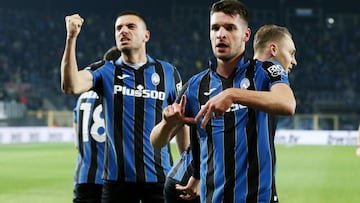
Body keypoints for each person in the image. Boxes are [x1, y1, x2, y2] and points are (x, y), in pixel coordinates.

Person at [150, 0, 297, 202]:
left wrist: (232, 94)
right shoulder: (195, 85)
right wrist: (168, 123)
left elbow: (287, 103)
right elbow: (157, 141)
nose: (221, 34)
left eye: (230, 28)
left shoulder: (265, 71)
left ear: (246, 35)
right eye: (215, 28)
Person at [61, 10, 188, 203]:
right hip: (116, 182)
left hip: (159, 178)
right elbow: (71, 86)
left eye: (130, 26)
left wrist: (185, 166)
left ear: (146, 35)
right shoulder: (104, 69)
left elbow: (182, 120)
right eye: (118, 28)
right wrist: (71, 39)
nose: (123, 31)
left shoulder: (168, 72)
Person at [72, 47, 120, 203]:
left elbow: (76, 140)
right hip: (112, 178)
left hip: (84, 176)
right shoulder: (118, 96)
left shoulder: (82, 97)